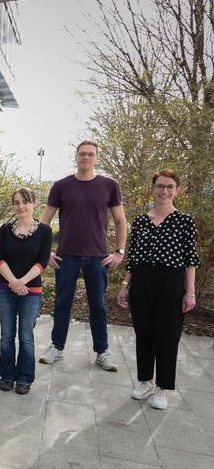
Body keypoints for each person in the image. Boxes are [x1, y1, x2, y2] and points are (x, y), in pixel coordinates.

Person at [39, 140, 127, 372]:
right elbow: (44, 222)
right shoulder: (61, 186)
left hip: (97, 257)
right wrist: (45, 251)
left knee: (98, 305)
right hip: (66, 255)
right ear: (75, 157)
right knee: (62, 303)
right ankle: (56, 347)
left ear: (96, 157)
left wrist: (119, 251)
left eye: (90, 154)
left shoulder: (109, 185)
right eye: (82, 154)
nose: (86, 158)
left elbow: (120, 220)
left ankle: (102, 352)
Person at [117, 169, 199, 410]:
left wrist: (190, 292)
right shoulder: (141, 221)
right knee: (144, 333)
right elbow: (133, 258)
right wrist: (125, 286)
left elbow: (190, 259)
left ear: (177, 190)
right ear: (153, 189)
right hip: (142, 281)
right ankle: (145, 381)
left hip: (171, 282)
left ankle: (163, 387)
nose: (164, 191)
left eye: (169, 187)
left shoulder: (185, 221)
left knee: (167, 335)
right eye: (160, 186)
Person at [0, 188, 52, 395]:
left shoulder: (45, 231)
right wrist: (12, 282)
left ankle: (25, 378)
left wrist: (22, 283)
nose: (21, 206)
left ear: (34, 204)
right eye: (17, 202)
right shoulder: (5, 229)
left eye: (25, 202)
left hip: (32, 290)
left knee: (26, 335)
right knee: (7, 335)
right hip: (5, 289)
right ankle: (7, 375)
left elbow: (42, 262)